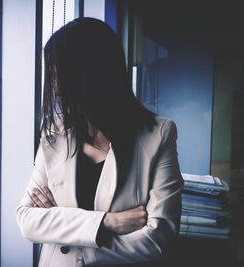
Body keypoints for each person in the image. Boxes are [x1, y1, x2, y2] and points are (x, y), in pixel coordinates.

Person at [15, 17, 184, 267]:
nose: (57, 88)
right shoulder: (55, 131)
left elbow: (158, 240)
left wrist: (69, 239)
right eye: (52, 76)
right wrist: (107, 222)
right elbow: (27, 219)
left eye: (60, 75)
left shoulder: (158, 135)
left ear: (93, 74)